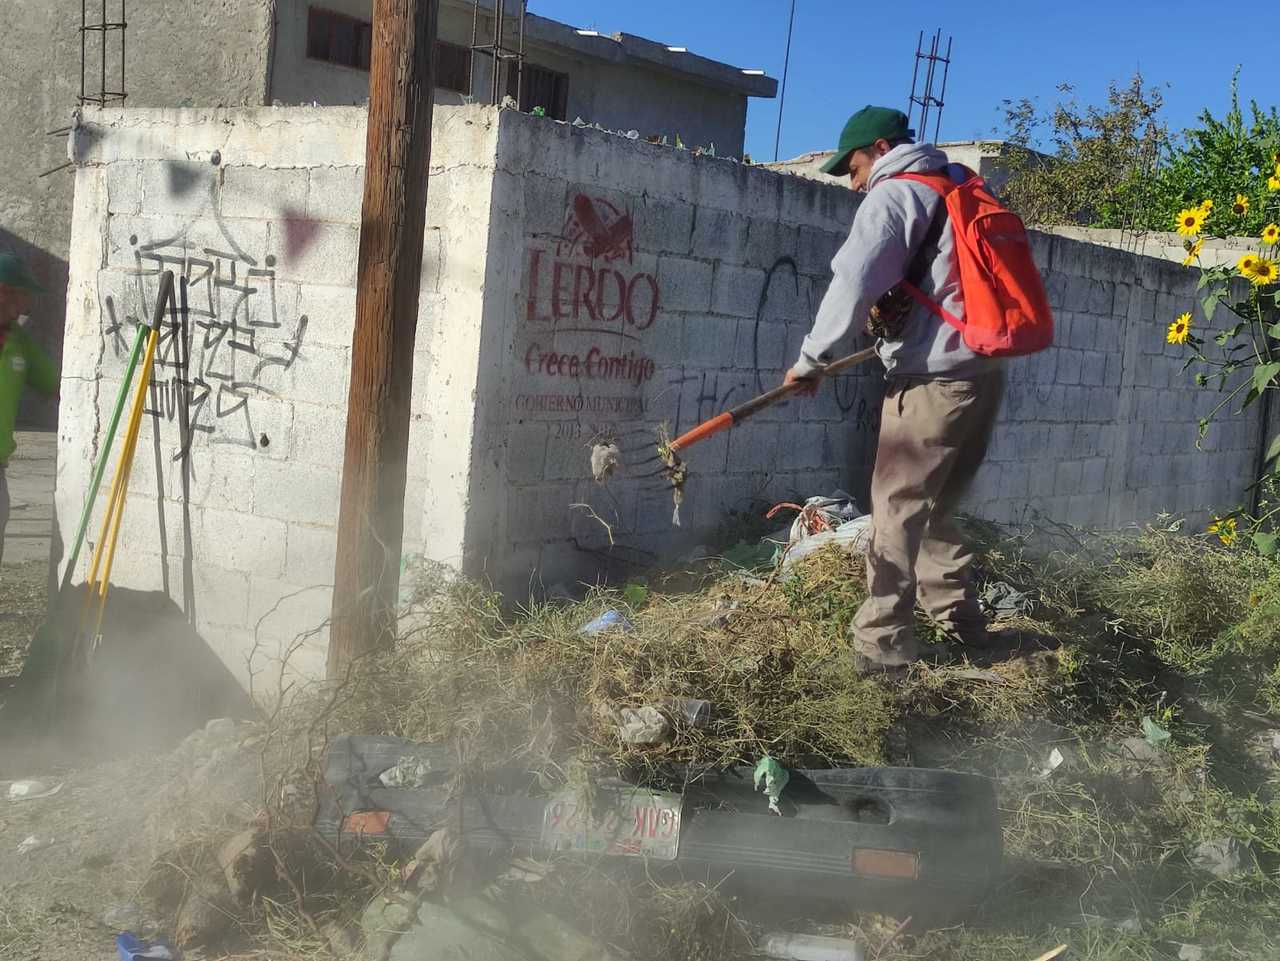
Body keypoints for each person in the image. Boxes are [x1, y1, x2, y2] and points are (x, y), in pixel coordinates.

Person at [782, 105, 1006, 676]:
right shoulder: (956, 184)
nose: (853, 182)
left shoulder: (895, 193)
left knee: (897, 509)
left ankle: (880, 646)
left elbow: (855, 279)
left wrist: (812, 358)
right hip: (980, 373)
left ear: (880, 149)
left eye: (853, 167)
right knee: (941, 505)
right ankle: (960, 622)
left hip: (931, 380)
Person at [0, 253, 58, 567]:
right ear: (4, 291)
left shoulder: (19, 342)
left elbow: (56, 384)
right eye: (24, 296)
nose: (27, 308)